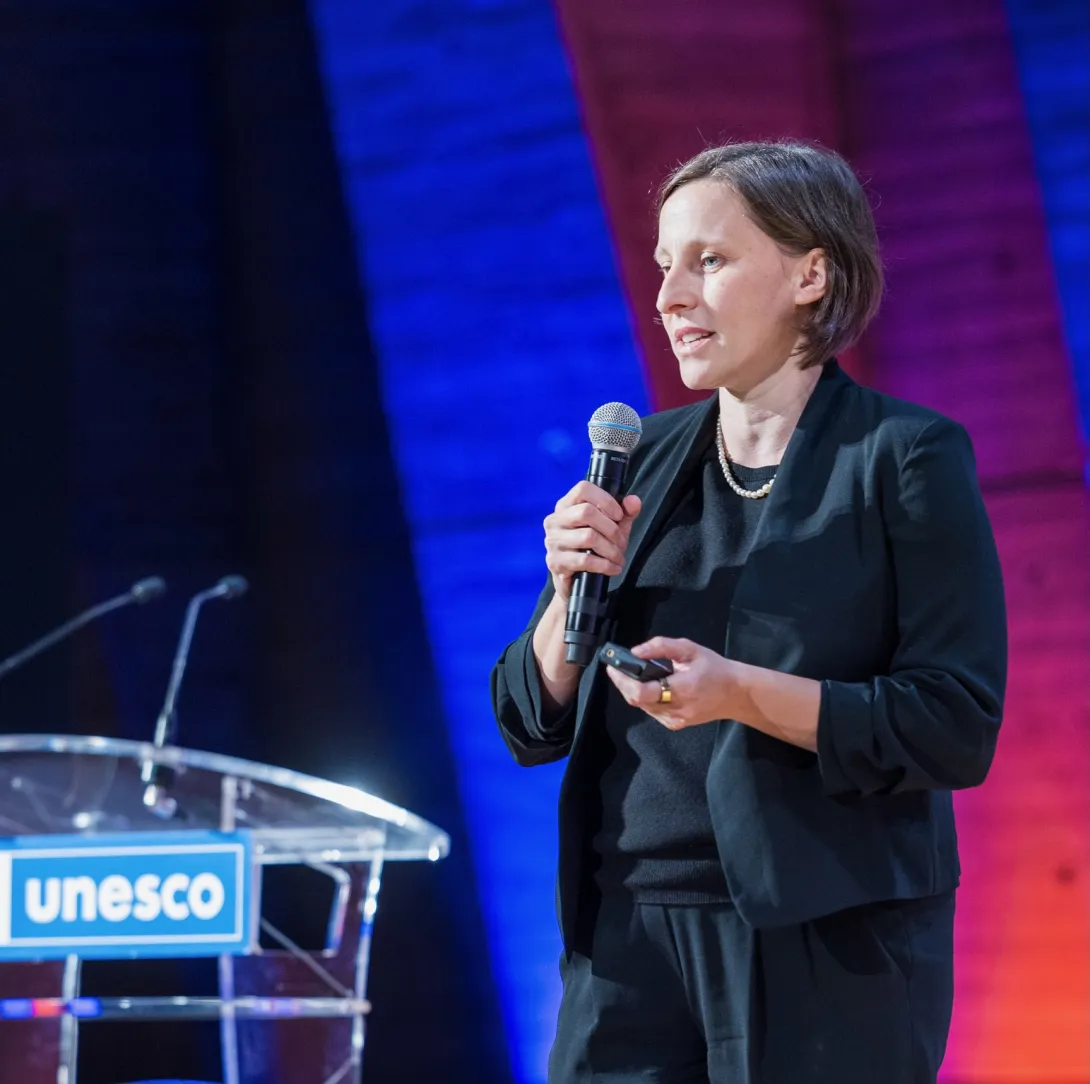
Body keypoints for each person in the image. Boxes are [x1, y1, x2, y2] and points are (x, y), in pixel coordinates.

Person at [490, 140, 1006, 1084]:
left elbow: (952, 724)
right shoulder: (641, 455)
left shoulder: (905, 457)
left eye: (709, 261)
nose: (670, 297)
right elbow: (529, 718)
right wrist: (566, 601)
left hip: (822, 942)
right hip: (626, 934)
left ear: (812, 272)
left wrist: (740, 693)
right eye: (663, 268)